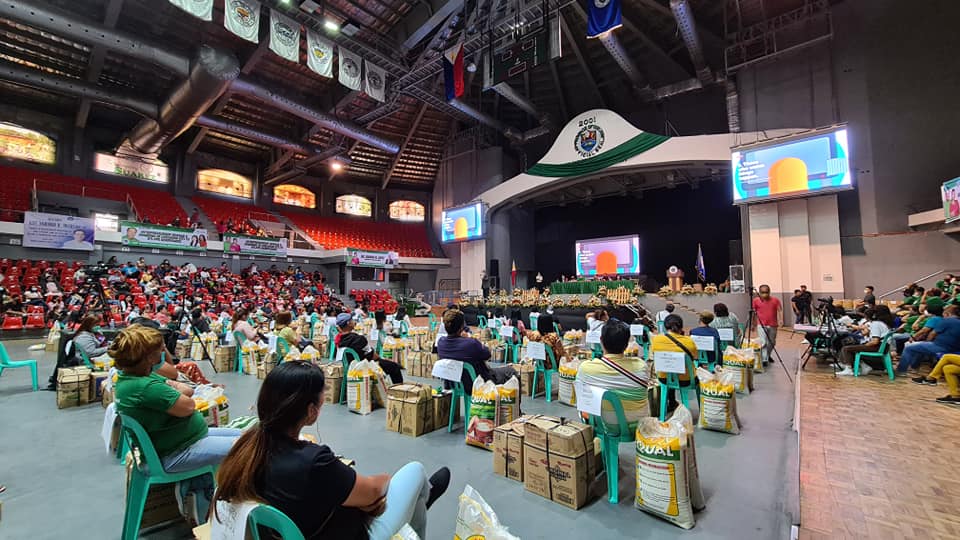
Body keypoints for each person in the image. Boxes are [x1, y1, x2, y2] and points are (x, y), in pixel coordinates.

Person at [212, 361, 450, 539]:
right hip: (343, 533)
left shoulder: (247, 446)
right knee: (415, 472)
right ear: (311, 411)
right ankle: (423, 495)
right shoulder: (313, 461)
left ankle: (419, 500)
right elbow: (373, 492)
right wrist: (383, 484)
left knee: (414, 501)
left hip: (302, 526)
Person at [111, 325, 240, 525]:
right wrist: (175, 390)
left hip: (186, 438)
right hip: (176, 452)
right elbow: (188, 405)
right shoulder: (145, 387)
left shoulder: (135, 378)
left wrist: (175, 390)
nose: (163, 353)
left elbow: (186, 390)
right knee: (249, 448)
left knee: (246, 435)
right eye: (160, 350)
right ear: (148, 357)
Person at [576, 319, 652, 428]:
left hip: (602, 425)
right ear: (627, 344)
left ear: (601, 340)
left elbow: (581, 397)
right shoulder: (641, 366)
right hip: (637, 425)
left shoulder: (586, 368)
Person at [437, 309, 516, 395]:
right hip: (477, 383)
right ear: (462, 326)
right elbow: (487, 354)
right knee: (511, 371)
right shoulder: (470, 343)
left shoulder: (441, 342)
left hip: (454, 384)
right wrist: (469, 338)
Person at [649, 314, 698, 415]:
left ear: (665, 326)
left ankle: (671, 404)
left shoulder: (656, 340)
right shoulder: (689, 341)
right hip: (686, 380)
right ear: (681, 327)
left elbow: (653, 354)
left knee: (670, 372)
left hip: (664, 378)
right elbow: (695, 357)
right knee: (678, 372)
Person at [334, 313, 403, 384]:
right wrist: (382, 359)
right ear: (348, 323)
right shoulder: (359, 339)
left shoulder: (339, 340)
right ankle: (398, 388)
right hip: (364, 367)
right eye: (352, 320)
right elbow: (373, 356)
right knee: (394, 367)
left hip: (349, 368)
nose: (354, 321)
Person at [897, 306, 960, 374]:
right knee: (920, 347)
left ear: (948, 314)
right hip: (954, 349)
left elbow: (932, 334)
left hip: (940, 347)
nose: (943, 316)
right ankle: (914, 367)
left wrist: (927, 341)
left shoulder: (947, 320)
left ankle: (901, 371)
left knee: (909, 348)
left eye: (944, 314)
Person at [835, 306, 894, 376]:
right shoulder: (881, 323)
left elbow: (875, 341)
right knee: (854, 348)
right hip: (883, 347)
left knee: (846, 349)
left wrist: (865, 345)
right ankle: (865, 366)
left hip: (877, 347)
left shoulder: (876, 324)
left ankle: (849, 369)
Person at [752, 285, 782, 363]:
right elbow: (754, 313)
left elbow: (780, 310)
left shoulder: (775, 300)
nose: (764, 294)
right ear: (759, 292)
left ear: (769, 292)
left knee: (772, 342)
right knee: (763, 342)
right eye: (762, 292)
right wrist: (753, 324)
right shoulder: (756, 301)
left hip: (773, 324)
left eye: (766, 292)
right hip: (761, 324)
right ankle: (764, 359)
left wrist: (781, 320)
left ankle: (767, 355)